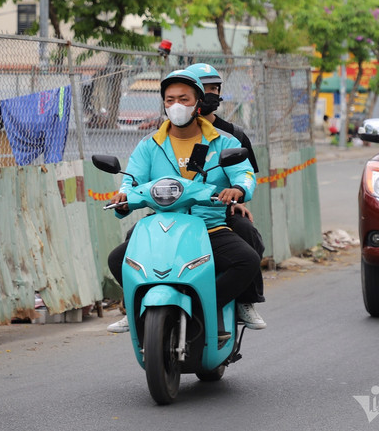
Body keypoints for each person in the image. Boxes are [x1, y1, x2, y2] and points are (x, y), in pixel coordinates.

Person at [106, 69, 262, 340]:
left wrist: (237, 189)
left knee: (246, 260)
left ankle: (208, 306)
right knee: (118, 258)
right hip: (162, 225)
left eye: (184, 99)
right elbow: (132, 181)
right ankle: (134, 309)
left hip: (209, 227)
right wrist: (123, 199)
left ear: (198, 102)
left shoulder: (224, 141)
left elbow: (244, 175)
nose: (176, 106)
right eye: (169, 100)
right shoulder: (149, 145)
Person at [185, 62, 266, 315]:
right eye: (204, 88)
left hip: (220, 210)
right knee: (136, 238)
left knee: (248, 234)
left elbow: (246, 175)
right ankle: (134, 301)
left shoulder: (234, 135)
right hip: (178, 209)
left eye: (214, 88)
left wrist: (237, 196)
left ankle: (246, 300)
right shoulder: (169, 134)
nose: (210, 94)